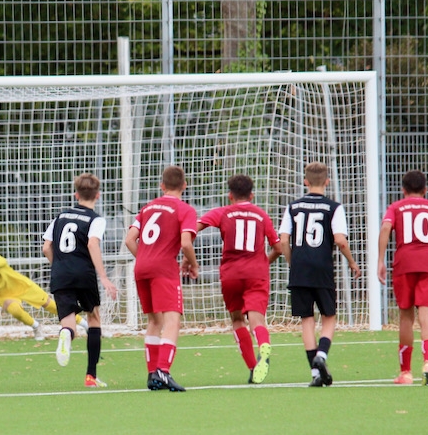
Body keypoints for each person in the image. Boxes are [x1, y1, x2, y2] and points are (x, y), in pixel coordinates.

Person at [276, 162, 362, 387]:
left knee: (306, 319)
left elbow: (283, 240)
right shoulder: (333, 207)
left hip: (300, 269)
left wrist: (292, 262)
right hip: (322, 268)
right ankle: (321, 356)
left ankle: (315, 374)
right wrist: (352, 262)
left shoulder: (293, 207)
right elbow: (341, 241)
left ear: (305, 181)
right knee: (329, 316)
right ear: (327, 181)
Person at [196, 174, 284, 384]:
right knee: (257, 319)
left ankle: (253, 368)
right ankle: (263, 345)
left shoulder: (223, 212)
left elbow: (194, 228)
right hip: (256, 273)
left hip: (231, 274)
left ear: (230, 195)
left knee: (237, 320)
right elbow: (279, 248)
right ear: (251, 195)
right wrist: (264, 262)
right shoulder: (261, 215)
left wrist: (187, 256)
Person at [377, 169, 428, 385]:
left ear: (403, 190)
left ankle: (405, 373)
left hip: (404, 265)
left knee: (406, 317)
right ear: (425, 190)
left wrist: (380, 260)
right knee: (426, 317)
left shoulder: (396, 207)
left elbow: (385, 228)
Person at [124, 165, 199, 392]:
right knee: (172, 319)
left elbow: (129, 239)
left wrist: (145, 257)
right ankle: (163, 371)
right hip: (164, 269)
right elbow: (186, 243)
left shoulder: (147, 207)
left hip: (141, 268)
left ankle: (152, 374)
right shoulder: (185, 209)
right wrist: (193, 264)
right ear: (184, 186)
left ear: (162, 186)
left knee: (154, 321)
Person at [42, 172, 119, 388]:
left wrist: (58, 266)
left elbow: (46, 247)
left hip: (61, 273)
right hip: (84, 273)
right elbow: (93, 244)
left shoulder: (60, 217)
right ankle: (90, 377)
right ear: (98, 195)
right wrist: (103, 276)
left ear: (76, 195)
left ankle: (65, 334)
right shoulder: (95, 219)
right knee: (93, 318)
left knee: (68, 323)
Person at [0, 243, 87, 341]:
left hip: (24, 287)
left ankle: (84, 324)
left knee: (51, 306)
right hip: (5, 296)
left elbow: (1, 262)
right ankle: (36, 326)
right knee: (15, 310)